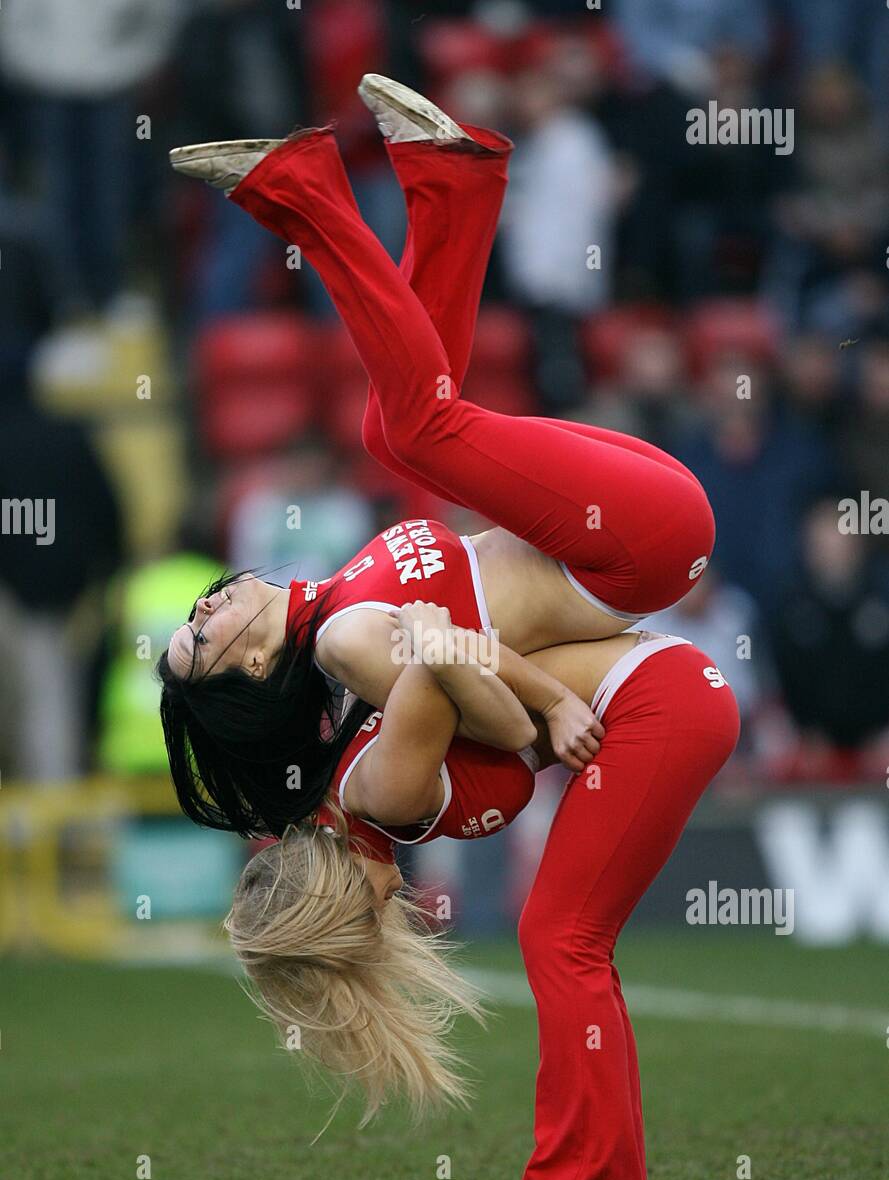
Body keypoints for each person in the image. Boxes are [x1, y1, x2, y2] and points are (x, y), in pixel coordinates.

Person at [158, 77, 715, 839]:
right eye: (197, 637)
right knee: (420, 429)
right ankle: (301, 190)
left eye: (191, 612)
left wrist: (459, 648)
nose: (204, 605)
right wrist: (547, 702)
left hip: (625, 525)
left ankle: (449, 182)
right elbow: (499, 722)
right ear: (252, 671)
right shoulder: (339, 642)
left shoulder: (334, 597)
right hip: (631, 550)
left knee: (388, 435)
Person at [225, 601, 740, 1180]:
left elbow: (438, 647)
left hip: (650, 699)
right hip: (660, 689)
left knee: (560, 938)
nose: (386, 922)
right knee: (565, 938)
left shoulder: (385, 796)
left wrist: (550, 701)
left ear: (339, 906)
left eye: (362, 930)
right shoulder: (355, 806)